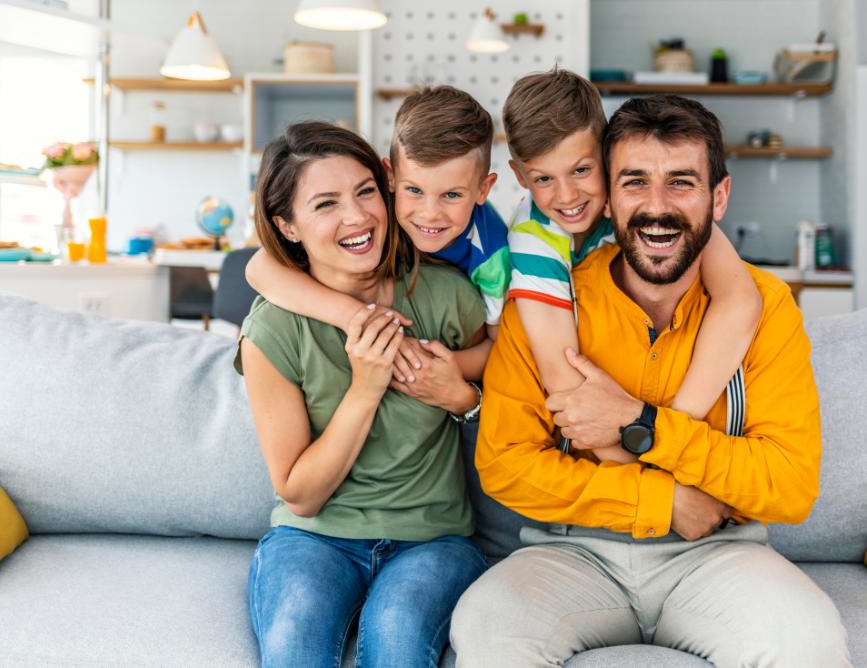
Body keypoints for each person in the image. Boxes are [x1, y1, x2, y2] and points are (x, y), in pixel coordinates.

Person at [451, 95, 850, 667]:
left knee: (805, 642)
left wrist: (641, 424)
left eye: (681, 182)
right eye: (635, 181)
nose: (656, 207)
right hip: (574, 553)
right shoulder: (546, 300)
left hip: (717, 554)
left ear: (719, 197)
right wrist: (661, 500)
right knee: (489, 629)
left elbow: (790, 484)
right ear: (609, 199)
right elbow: (505, 465)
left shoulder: (765, 307)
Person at [235, 121, 489, 668]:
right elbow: (300, 495)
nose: (357, 218)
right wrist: (366, 388)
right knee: (294, 644)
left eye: (366, 191)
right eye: (325, 204)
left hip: (433, 540)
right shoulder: (273, 330)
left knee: (397, 635)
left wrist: (463, 392)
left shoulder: (446, 294)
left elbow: (508, 367)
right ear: (289, 226)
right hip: (314, 538)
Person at [502, 69, 762, 462]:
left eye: (582, 170)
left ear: (607, 157)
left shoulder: (649, 210)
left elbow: (740, 302)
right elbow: (568, 387)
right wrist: (658, 481)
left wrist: (667, 435)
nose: (568, 195)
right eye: (543, 178)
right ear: (520, 176)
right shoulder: (533, 241)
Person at [244, 86, 508, 400]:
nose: (429, 214)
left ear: (483, 190)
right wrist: (354, 316)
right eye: (414, 190)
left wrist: (421, 363)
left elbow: (503, 350)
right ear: (391, 177)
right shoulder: (384, 212)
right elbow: (258, 268)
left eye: (451, 195)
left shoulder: (493, 257)